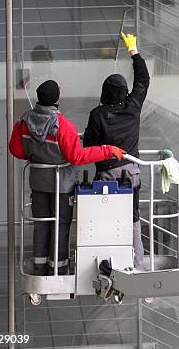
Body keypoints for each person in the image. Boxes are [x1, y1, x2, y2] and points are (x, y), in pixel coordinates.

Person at [9, 80, 125, 276]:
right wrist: (107, 150)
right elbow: (77, 157)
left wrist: (37, 155)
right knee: (61, 226)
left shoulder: (23, 122)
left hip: (38, 183)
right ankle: (59, 268)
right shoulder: (63, 126)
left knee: (41, 224)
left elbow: (16, 149)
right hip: (62, 185)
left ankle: (40, 268)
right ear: (56, 99)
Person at [83, 32, 150, 268]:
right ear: (124, 92)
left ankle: (108, 263)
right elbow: (143, 79)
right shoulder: (133, 106)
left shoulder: (97, 115)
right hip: (132, 175)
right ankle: (137, 264)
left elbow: (88, 146)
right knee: (132, 219)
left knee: (106, 220)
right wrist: (133, 50)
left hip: (107, 176)